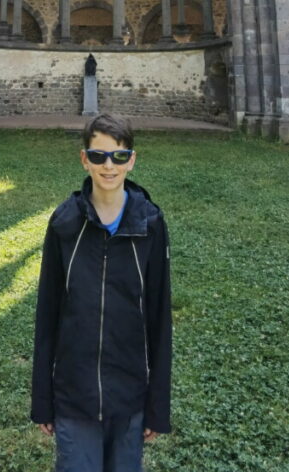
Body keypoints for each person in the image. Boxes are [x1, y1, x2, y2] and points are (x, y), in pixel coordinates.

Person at [31, 113, 172, 472]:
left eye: (119, 156)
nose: (109, 166)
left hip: (129, 397)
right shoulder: (63, 223)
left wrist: (158, 405)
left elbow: (159, 319)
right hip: (74, 397)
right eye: (98, 156)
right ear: (84, 159)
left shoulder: (151, 225)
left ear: (132, 160)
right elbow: (47, 315)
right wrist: (42, 400)